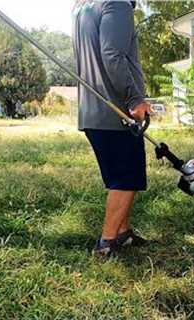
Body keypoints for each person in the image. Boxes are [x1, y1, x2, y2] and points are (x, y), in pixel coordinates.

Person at [73, 0, 151, 257]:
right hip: (116, 110)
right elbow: (112, 54)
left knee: (119, 175)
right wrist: (134, 99)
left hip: (92, 110)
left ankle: (123, 233)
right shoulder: (117, 4)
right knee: (126, 178)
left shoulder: (83, 6)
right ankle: (106, 244)